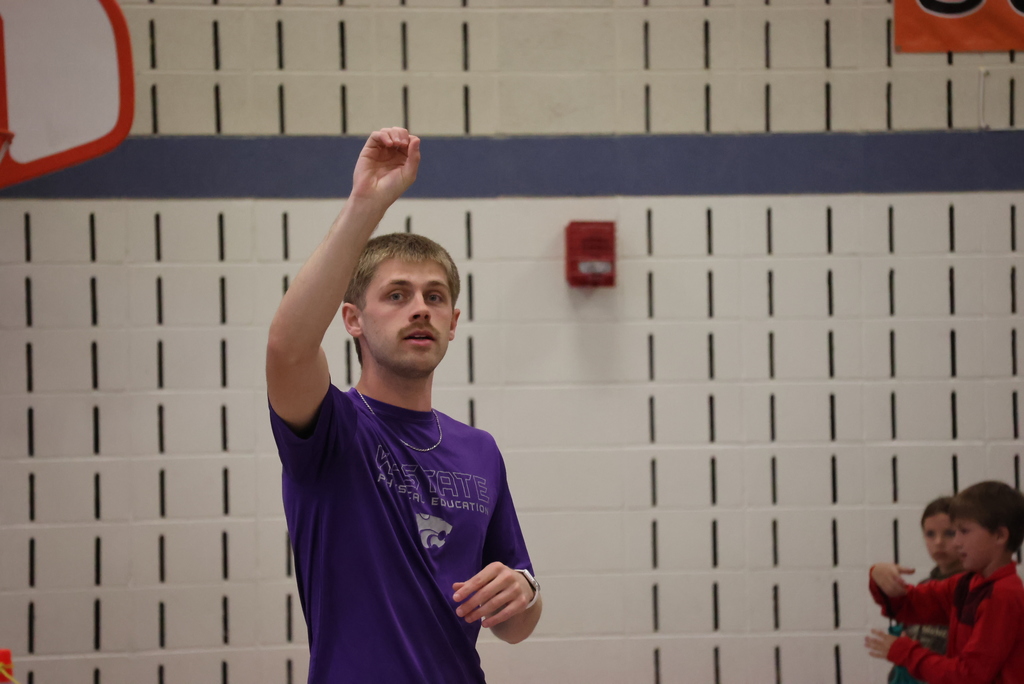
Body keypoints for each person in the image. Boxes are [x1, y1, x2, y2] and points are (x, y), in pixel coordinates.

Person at [266, 127, 542, 683]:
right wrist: (366, 203)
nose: (420, 309)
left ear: (452, 323)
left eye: (434, 297)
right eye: (397, 295)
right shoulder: (330, 430)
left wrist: (526, 591)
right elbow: (287, 349)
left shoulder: (479, 449)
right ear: (352, 320)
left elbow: (514, 624)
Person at [866, 481, 1024, 683]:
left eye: (963, 531)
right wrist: (880, 577)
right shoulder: (966, 584)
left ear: (1000, 535)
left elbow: (969, 676)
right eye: (955, 532)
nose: (956, 542)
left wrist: (906, 652)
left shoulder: (1004, 595)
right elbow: (909, 605)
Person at [886, 497, 964, 684]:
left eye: (949, 533)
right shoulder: (923, 586)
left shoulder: (976, 589)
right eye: (930, 534)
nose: (938, 542)